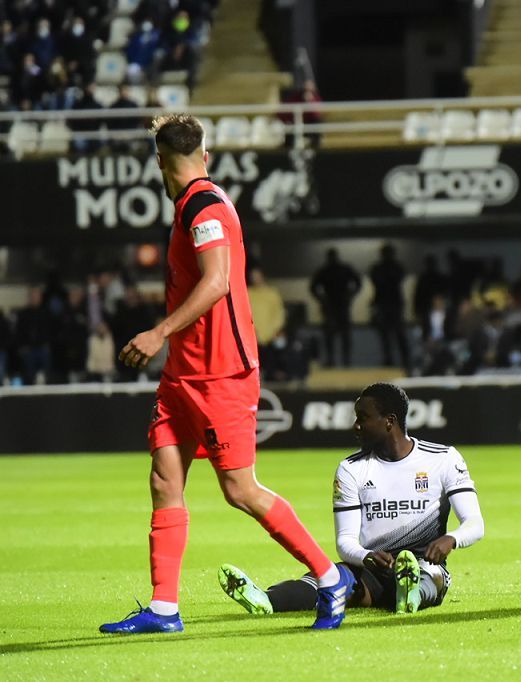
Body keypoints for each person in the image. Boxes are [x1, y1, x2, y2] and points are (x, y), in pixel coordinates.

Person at [99, 114, 354, 635]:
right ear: (204, 155)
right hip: (183, 375)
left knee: (240, 490)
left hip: (221, 374)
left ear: (159, 163)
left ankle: (330, 579)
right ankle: (164, 610)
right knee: (164, 479)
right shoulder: (194, 202)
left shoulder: (205, 206)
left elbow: (216, 282)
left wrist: (158, 332)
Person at [217, 383, 484, 616]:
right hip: (371, 570)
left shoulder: (443, 458)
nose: (355, 426)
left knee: (428, 577)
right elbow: (345, 541)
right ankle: (268, 600)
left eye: (363, 418)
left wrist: (452, 539)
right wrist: (366, 556)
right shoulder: (351, 468)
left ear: (389, 421)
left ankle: (411, 594)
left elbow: (474, 523)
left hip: (427, 565)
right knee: (332, 576)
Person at [309, 248, 362, 367]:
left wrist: (350, 296)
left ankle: (344, 361)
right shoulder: (326, 270)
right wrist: (322, 299)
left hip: (339, 306)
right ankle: (337, 360)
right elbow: (313, 287)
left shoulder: (335, 269)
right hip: (332, 306)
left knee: (341, 335)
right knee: (332, 336)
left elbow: (358, 282)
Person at [369, 244, 410, 370]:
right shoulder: (381, 268)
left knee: (396, 333)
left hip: (392, 303)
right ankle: (392, 359)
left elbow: (396, 280)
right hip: (385, 303)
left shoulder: (393, 268)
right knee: (387, 335)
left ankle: (402, 360)